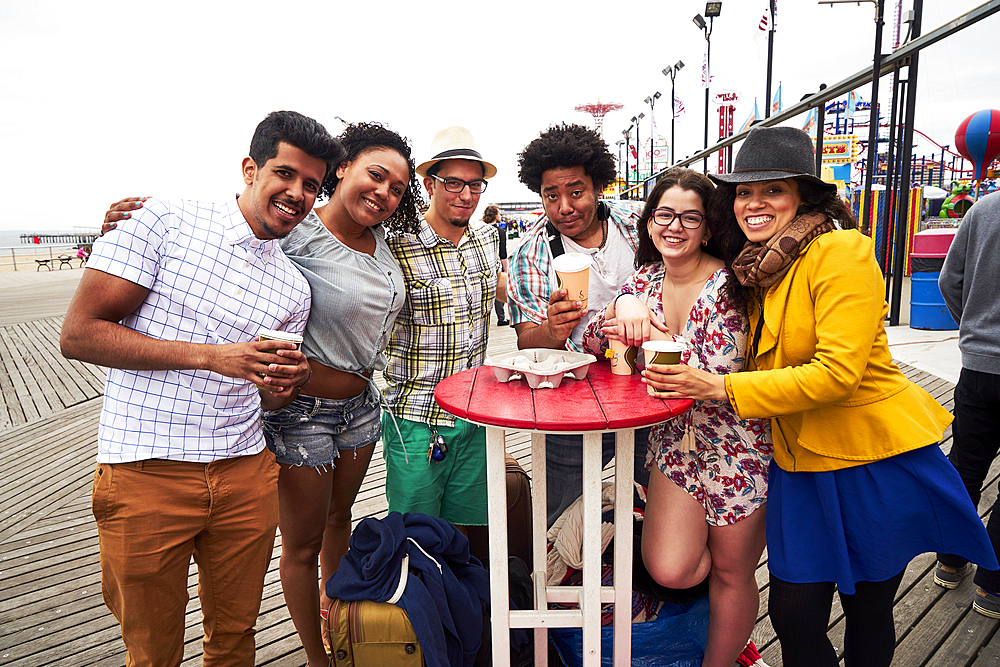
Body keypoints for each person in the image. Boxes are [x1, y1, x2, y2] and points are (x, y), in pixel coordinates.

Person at [649, 126, 998, 667]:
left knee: (866, 608)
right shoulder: (760, 266)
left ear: (804, 196)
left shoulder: (841, 250)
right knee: (792, 615)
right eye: (743, 192)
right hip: (796, 460)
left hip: (866, 458)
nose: (753, 203)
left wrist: (717, 386)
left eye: (772, 190)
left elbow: (837, 373)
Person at [60, 110, 341, 667]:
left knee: (235, 639)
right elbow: (79, 334)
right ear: (249, 168)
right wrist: (213, 358)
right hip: (145, 470)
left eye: (311, 185)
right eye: (285, 174)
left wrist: (286, 383)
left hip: (245, 474)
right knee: (152, 649)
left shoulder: (292, 283)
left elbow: (266, 394)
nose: (297, 193)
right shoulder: (164, 220)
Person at [581, 168, 771, 667]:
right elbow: (596, 348)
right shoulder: (642, 280)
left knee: (733, 572)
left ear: (708, 228)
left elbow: (728, 367)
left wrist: (670, 346)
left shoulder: (734, 283)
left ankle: (721, 657)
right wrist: (617, 311)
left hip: (739, 445)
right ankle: (710, 617)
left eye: (691, 217)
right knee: (670, 568)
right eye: (664, 214)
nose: (675, 226)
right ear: (648, 224)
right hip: (673, 446)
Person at [262, 122, 420, 667]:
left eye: (397, 188)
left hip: (360, 409)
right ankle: (317, 657)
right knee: (302, 545)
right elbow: (226, 233)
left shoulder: (382, 246)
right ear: (342, 167)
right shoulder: (296, 233)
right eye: (376, 175)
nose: (384, 192)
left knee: (339, 522)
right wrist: (135, 215)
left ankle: (342, 628)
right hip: (301, 414)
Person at [508, 122, 649, 527]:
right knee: (558, 518)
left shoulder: (638, 227)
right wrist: (552, 329)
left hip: (647, 393)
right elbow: (526, 344)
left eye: (576, 192)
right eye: (552, 196)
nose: (564, 207)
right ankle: (555, 584)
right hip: (572, 404)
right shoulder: (531, 252)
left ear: (598, 186)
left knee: (653, 507)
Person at [380, 126, 505, 560]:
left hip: (473, 417)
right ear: (430, 183)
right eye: (453, 182)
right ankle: (423, 622)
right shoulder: (394, 244)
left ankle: (461, 618)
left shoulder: (486, 241)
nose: (466, 195)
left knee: (466, 535)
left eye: (475, 184)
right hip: (416, 420)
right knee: (416, 540)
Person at [935, 189, 1000, 617]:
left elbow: (948, 280)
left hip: (979, 368)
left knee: (966, 464)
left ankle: (950, 561)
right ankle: (992, 588)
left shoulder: (986, 207)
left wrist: (973, 329)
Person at [483, 204, 509, 326]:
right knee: (499, 290)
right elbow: (502, 252)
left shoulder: (480, 230)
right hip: (496, 265)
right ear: (494, 215)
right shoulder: (499, 231)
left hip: (483, 267)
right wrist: (506, 269)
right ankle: (501, 318)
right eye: (498, 213)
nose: (500, 216)